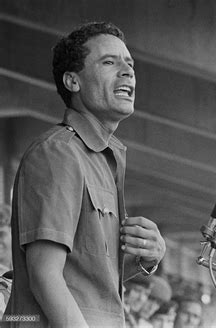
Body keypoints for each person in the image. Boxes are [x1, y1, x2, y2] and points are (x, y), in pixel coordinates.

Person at [3, 22, 166, 328]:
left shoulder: (105, 159)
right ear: (73, 81)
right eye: (109, 62)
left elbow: (88, 277)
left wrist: (147, 259)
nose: (127, 72)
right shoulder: (58, 153)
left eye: (129, 64)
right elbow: (44, 275)